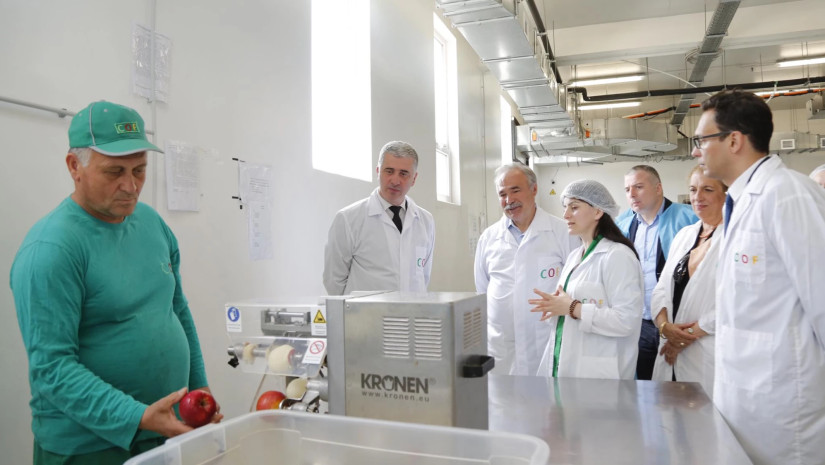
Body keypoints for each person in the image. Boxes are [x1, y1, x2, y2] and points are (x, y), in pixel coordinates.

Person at [10, 101, 222, 464]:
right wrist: (138, 416)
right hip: (88, 448)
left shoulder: (152, 224)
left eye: (140, 170)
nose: (131, 186)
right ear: (74, 166)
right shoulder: (52, 249)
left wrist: (200, 387)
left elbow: (177, 310)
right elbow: (52, 369)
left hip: (165, 433)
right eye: (114, 172)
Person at [693, 89, 825, 465]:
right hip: (745, 394)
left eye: (702, 140)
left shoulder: (787, 195)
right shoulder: (741, 201)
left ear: (734, 140)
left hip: (785, 401)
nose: (696, 151)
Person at [530, 180, 643, 379]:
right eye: (565, 208)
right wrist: (554, 306)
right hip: (566, 363)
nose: (565, 215)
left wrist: (573, 308)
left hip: (601, 374)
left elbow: (627, 321)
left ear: (598, 211)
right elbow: (567, 307)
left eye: (574, 207)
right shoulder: (575, 256)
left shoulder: (617, 255)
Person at [474, 163, 577, 376]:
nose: (509, 200)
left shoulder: (561, 232)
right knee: (502, 396)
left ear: (534, 189)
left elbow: (575, 286)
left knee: (546, 395)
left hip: (545, 341)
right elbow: (482, 290)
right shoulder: (489, 238)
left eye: (515, 190)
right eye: (502, 194)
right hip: (502, 346)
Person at [615, 165, 697, 380]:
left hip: (677, 321)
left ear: (658, 188)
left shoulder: (689, 218)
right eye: (627, 189)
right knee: (642, 384)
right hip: (639, 322)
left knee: (679, 385)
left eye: (639, 187)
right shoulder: (623, 224)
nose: (632, 194)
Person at [650, 166, 725, 396]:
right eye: (693, 189)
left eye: (707, 189)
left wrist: (684, 336)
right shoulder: (685, 235)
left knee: (706, 415)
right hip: (669, 350)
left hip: (708, 351)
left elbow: (737, 302)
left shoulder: (735, 237)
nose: (697, 197)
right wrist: (665, 327)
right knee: (669, 413)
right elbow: (661, 289)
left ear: (727, 194)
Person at [323, 141, 435, 295]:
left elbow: (424, 276)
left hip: (413, 309)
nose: (395, 181)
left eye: (403, 173)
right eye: (389, 171)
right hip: (366, 311)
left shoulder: (426, 221)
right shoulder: (348, 219)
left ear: (414, 178)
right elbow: (333, 281)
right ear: (378, 171)